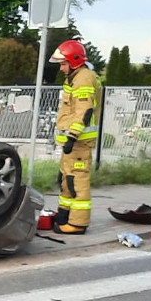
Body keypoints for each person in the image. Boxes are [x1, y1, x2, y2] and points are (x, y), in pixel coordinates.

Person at [51, 39, 102, 234]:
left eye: (63, 64)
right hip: (73, 144)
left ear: (74, 61)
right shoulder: (75, 77)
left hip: (79, 142)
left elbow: (84, 111)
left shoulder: (83, 78)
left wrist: (72, 137)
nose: (61, 68)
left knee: (77, 182)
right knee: (66, 180)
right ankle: (64, 216)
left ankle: (77, 224)